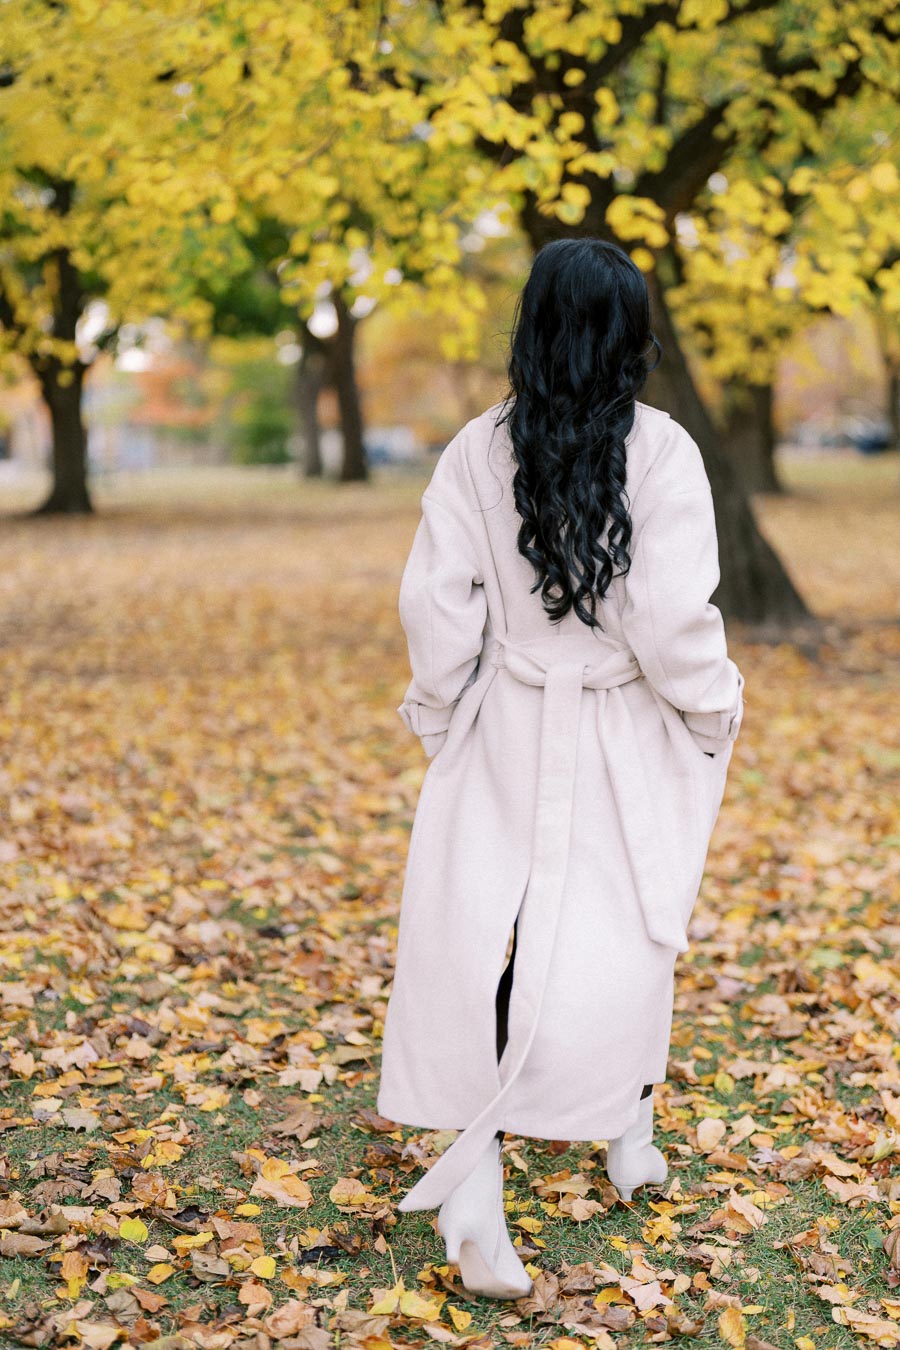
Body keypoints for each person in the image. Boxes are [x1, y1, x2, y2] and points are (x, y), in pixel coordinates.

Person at [376, 237, 746, 1300]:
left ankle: (578, 1143)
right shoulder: (663, 450)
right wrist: (715, 707)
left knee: (492, 939)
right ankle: (533, 1162)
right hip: (620, 722)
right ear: (631, 332)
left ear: (532, 327)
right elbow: (676, 622)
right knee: (620, 930)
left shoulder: (475, 450)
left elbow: (437, 611)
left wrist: (443, 716)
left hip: (508, 718)